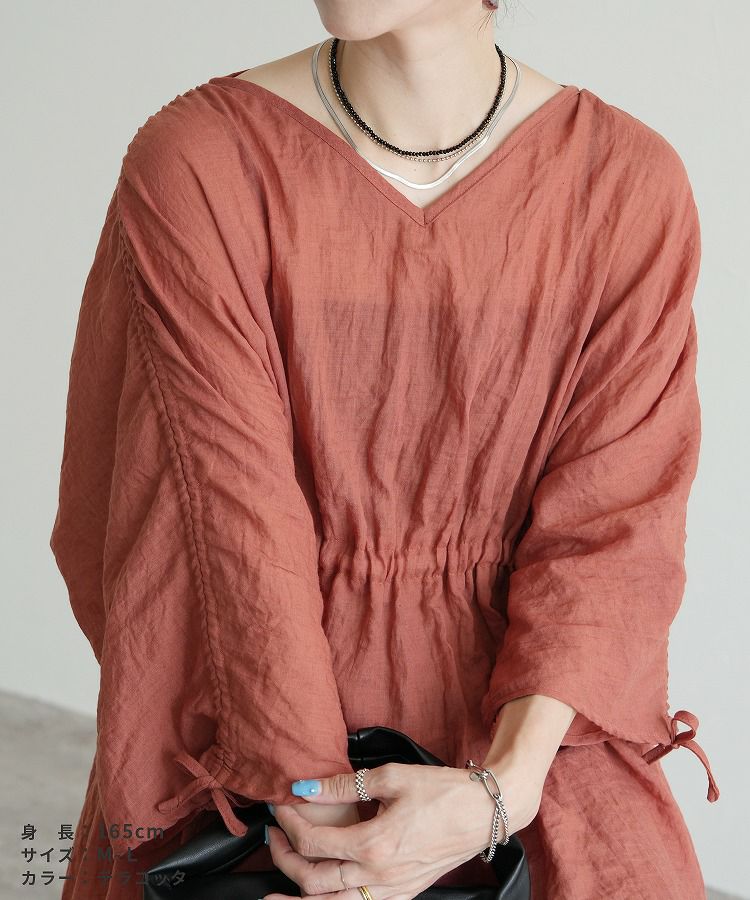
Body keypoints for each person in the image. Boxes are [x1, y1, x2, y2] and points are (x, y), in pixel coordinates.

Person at [49, 1, 720, 898]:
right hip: (262, 745)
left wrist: (504, 789)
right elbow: (225, 527)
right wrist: (329, 838)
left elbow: (615, 529)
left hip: (538, 741)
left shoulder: (627, 186)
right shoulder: (202, 162)